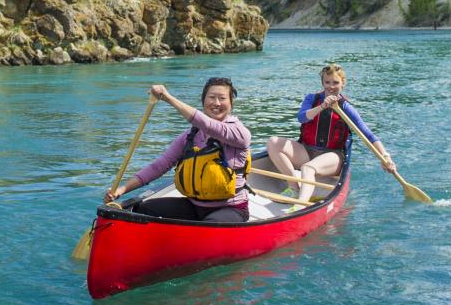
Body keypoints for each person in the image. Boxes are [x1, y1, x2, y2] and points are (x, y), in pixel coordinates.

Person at [104, 78, 252, 222]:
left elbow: (208, 125)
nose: (216, 103)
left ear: (231, 103)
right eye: (212, 97)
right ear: (203, 101)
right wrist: (122, 190)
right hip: (194, 206)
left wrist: (168, 98)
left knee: (208, 227)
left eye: (222, 98)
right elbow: (159, 166)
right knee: (143, 210)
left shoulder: (239, 133)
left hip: (230, 208)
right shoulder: (189, 137)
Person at [267, 64, 397, 204]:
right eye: (327, 82)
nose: (330, 86)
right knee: (273, 142)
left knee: (308, 168)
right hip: (307, 150)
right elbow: (302, 117)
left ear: (343, 84)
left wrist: (385, 156)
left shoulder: (346, 107)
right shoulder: (312, 99)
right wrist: (322, 107)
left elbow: (368, 135)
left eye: (335, 83)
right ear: (322, 83)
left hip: (333, 157)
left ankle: (301, 204)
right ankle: (294, 188)